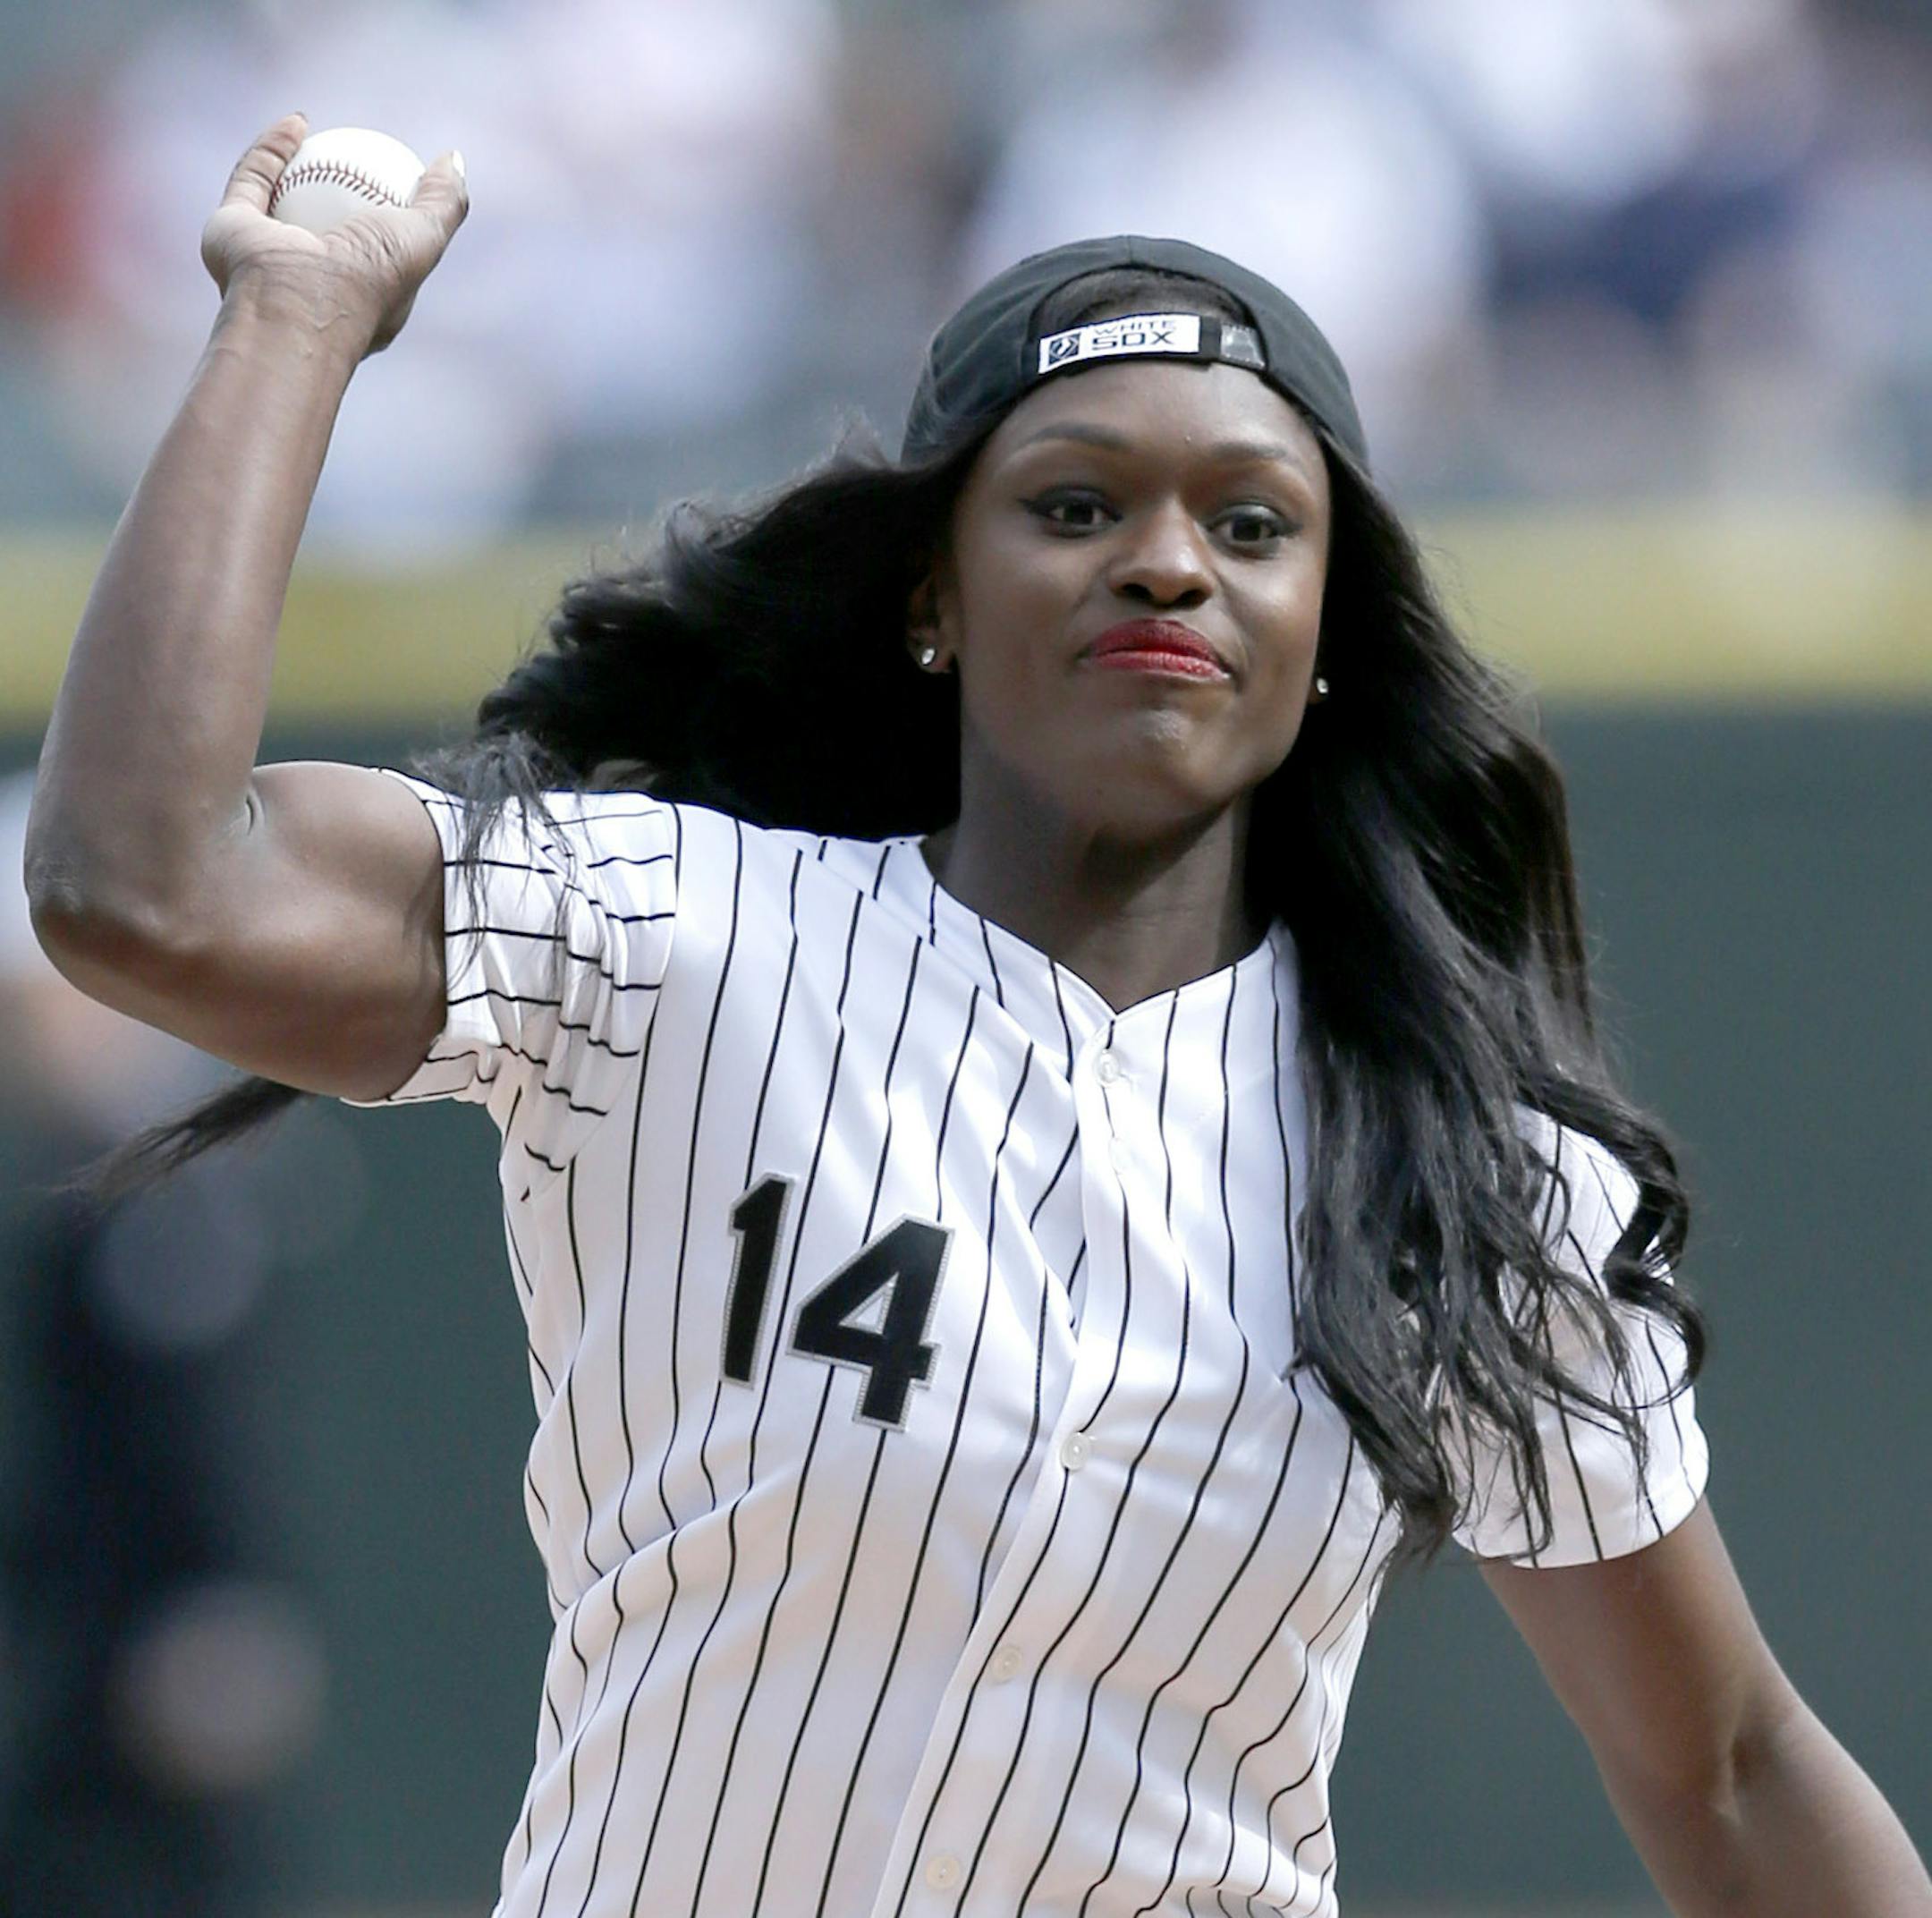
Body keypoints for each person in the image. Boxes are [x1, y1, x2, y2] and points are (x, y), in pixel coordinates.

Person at [22, 113, 1930, 1918]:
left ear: (1328, 627)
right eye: (1079, 501)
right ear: (936, 585)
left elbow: (1733, 1766)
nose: (1171, 558)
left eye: (1255, 524)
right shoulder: (665, 934)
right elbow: (146, 885)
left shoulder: (1460, 1164)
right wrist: (294, 319)